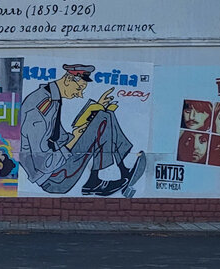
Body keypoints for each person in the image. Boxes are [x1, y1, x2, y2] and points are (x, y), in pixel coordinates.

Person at [18, 64, 146, 196]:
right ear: (68, 80)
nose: (79, 95)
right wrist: (75, 140)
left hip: (58, 166)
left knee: (105, 114)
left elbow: (59, 138)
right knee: (103, 118)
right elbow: (43, 164)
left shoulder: (51, 99)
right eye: (79, 88)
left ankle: (123, 170)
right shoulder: (39, 110)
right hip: (53, 179)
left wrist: (91, 117)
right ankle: (96, 181)